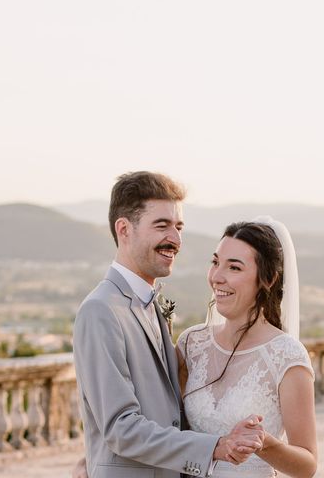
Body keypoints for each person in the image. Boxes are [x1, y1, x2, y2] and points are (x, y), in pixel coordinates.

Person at [72, 171, 264, 478]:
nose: (174, 239)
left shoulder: (153, 304)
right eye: (161, 226)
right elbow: (120, 428)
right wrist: (216, 446)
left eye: (178, 227)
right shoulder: (100, 311)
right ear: (124, 229)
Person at [177, 219, 318, 478]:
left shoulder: (286, 356)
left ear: (268, 278)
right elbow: (162, 425)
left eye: (234, 267)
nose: (217, 277)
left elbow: (307, 464)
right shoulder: (191, 343)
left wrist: (265, 443)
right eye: (216, 262)